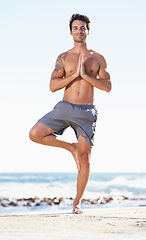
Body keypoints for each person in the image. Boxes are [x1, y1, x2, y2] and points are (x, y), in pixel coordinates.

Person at [29, 13, 111, 214]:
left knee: (85, 159)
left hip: (86, 112)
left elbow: (108, 86)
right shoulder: (63, 58)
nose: (79, 31)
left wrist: (86, 77)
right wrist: (74, 75)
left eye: (82, 27)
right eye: (75, 28)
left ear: (88, 31)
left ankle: (77, 203)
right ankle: (70, 148)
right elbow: (52, 86)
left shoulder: (98, 58)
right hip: (65, 106)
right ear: (70, 32)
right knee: (35, 134)